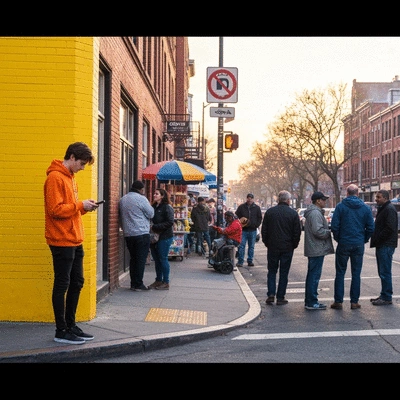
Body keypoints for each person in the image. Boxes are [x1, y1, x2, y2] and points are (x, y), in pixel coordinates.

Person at [44, 142, 98, 345]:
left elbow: (69, 209)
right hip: (61, 239)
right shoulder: (55, 178)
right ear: (72, 157)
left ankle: (70, 325)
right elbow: (55, 210)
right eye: (82, 163)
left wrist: (84, 207)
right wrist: (79, 205)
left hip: (74, 238)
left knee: (77, 282)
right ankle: (61, 330)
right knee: (62, 284)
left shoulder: (70, 178)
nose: (83, 168)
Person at [330, 184, 374, 310]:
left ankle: (338, 301)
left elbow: (334, 226)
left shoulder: (340, 207)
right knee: (356, 273)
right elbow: (370, 227)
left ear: (347, 193)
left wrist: (339, 238)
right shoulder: (365, 208)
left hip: (344, 243)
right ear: (358, 193)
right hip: (358, 243)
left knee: (340, 272)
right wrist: (364, 239)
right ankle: (354, 302)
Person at [261, 190, 301, 305]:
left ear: (278, 199)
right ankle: (280, 296)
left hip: (273, 246)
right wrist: (294, 244)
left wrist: (267, 242)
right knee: (284, 272)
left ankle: (271, 294)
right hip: (287, 247)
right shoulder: (293, 214)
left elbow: (264, 230)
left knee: (272, 271)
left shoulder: (270, 212)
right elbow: (296, 232)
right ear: (288, 200)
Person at [119, 180, 155, 291]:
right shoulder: (141, 199)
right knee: (140, 260)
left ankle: (133, 282)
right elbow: (151, 213)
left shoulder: (123, 199)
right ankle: (138, 283)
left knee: (133, 259)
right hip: (141, 233)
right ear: (141, 189)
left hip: (129, 233)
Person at [303, 192, 334, 310]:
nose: (325, 202)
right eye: (323, 200)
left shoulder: (313, 212)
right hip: (316, 248)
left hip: (314, 248)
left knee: (313, 274)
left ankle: (311, 300)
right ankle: (312, 302)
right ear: (317, 201)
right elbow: (318, 231)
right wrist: (328, 232)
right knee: (314, 275)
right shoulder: (315, 213)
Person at [370, 189, 398, 306]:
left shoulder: (389, 209)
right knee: (382, 271)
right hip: (383, 244)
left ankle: (386, 296)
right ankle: (384, 294)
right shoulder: (385, 208)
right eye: (376, 197)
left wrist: (379, 238)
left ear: (385, 198)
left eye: (378, 197)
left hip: (386, 245)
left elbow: (390, 228)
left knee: (385, 271)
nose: (376, 199)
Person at [148, 188, 174, 290]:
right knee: (157, 260)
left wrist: (155, 227)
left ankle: (166, 282)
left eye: (156, 194)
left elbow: (170, 222)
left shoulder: (167, 207)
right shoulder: (153, 207)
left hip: (164, 237)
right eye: (154, 193)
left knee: (163, 259)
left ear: (162, 196)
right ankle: (158, 280)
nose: (154, 195)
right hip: (154, 237)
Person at [235, 193, 262, 267]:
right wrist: (240, 222)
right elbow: (236, 215)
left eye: (251, 198)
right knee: (241, 246)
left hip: (252, 230)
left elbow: (259, 218)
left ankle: (250, 261)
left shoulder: (257, 208)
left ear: (253, 199)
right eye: (248, 198)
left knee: (251, 246)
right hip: (243, 230)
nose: (249, 199)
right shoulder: (241, 207)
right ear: (246, 198)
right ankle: (240, 261)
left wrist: (256, 225)